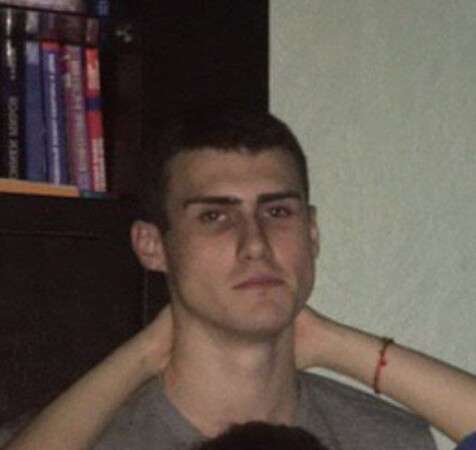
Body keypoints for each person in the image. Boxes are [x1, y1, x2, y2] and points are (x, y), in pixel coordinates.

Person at [3, 110, 450, 450]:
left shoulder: (386, 440)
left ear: (312, 233)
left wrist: (335, 344)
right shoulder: (77, 436)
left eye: (277, 212)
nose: (255, 244)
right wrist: (140, 356)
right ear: (152, 245)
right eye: (215, 217)